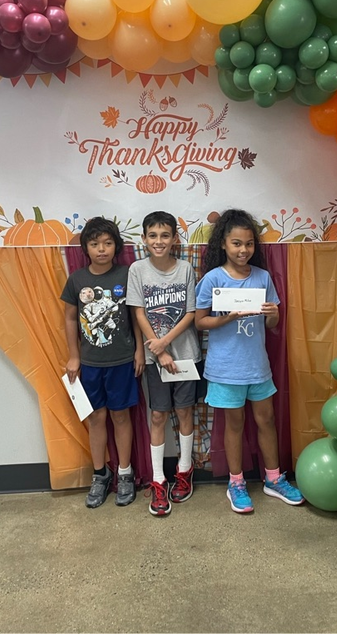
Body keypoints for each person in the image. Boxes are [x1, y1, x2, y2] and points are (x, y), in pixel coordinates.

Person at [195, 209, 304, 514]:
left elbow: (272, 324)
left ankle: (274, 478)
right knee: (234, 424)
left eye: (249, 244)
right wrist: (227, 318)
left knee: (266, 420)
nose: (243, 250)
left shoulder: (262, 277)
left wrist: (274, 314)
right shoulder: (213, 279)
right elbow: (200, 322)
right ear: (223, 244)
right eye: (236, 243)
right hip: (225, 368)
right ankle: (236, 483)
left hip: (257, 366)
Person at [61, 216, 144, 509]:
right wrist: (74, 355)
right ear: (85, 247)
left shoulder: (126, 275)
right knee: (96, 418)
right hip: (90, 363)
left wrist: (140, 351)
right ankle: (100, 474)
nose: (101, 249)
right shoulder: (77, 279)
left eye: (108, 243)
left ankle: (125, 473)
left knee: (121, 416)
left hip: (122, 361)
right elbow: (70, 318)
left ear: (116, 246)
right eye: (95, 244)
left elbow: (136, 315)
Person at [127, 211, 201, 517]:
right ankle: (158, 480)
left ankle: (184, 470)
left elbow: (190, 313)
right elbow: (138, 313)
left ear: (174, 239)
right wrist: (157, 351)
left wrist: (165, 343)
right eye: (153, 236)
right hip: (155, 359)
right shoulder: (137, 269)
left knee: (184, 412)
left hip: (185, 355)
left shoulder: (185, 269)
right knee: (158, 415)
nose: (159, 241)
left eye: (165, 235)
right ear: (144, 239)